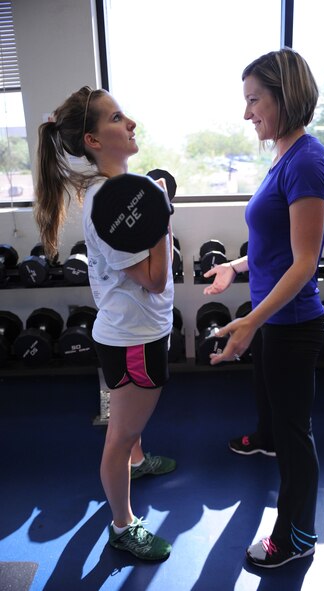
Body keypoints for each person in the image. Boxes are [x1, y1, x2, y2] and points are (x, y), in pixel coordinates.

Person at [204, 48, 324, 568]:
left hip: (293, 322)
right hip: (273, 318)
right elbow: (272, 243)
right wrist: (235, 267)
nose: (246, 113)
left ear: (285, 96)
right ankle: (264, 437)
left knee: (295, 435)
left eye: (254, 100)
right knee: (277, 419)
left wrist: (251, 320)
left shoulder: (307, 160)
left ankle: (298, 536)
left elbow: (304, 262)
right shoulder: (282, 155)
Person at [34, 86, 176, 561]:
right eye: (117, 118)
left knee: (129, 425)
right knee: (120, 434)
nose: (130, 122)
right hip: (134, 337)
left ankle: (139, 459)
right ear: (93, 140)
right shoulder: (108, 200)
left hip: (132, 329)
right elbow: (155, 280)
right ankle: (122, 525)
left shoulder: (118, 190)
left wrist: (152, 204)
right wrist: (162, 215)